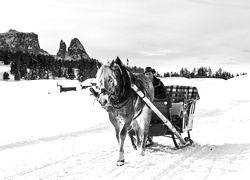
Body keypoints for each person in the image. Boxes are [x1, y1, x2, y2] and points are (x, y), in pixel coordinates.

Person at [144, 67, 167, 146]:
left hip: (158, 105)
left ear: (153, 74)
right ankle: (146, 137)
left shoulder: (158, 83)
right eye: (146, 74)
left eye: (149, 74)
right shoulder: (144, 84)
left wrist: (155, 97)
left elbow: (165, 94)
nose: (148, 76)